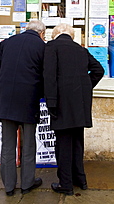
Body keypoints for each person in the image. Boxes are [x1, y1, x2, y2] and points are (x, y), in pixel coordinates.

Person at [43, 23, 104, 195]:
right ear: (71, 35)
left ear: (55, 34)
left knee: (63, 145)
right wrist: (86, 87)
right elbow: (98, 70)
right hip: (80, 104)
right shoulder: (80, 50)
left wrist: (51, 102)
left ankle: (66, 184)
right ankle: (81, 179)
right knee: (77, 142)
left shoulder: (52, 47)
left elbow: (49, 76)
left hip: (61, 103)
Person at [0, 20, 46, 196]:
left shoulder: (7, 42)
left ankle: (9, 186)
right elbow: (46, 73)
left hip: (7, 100)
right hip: (28, 100)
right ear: (41, 33)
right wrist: (40, 92)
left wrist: (0, 86)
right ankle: (27, 184)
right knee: (28, 144)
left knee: (7, 145)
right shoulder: (41, 46)